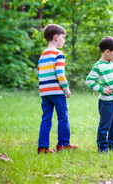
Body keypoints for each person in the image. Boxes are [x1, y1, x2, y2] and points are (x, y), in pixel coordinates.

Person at [36, 24, 78, 154]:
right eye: (63, 37)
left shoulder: (43, 55)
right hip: (57, 91)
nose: (64, 40)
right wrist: (66, 89)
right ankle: (63, 144)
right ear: (55, 37)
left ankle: (42, 147)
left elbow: (38, 72)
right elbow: (60, 73)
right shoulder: (58, 54)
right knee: (63, 117)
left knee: (46, 118)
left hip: (44, 92)